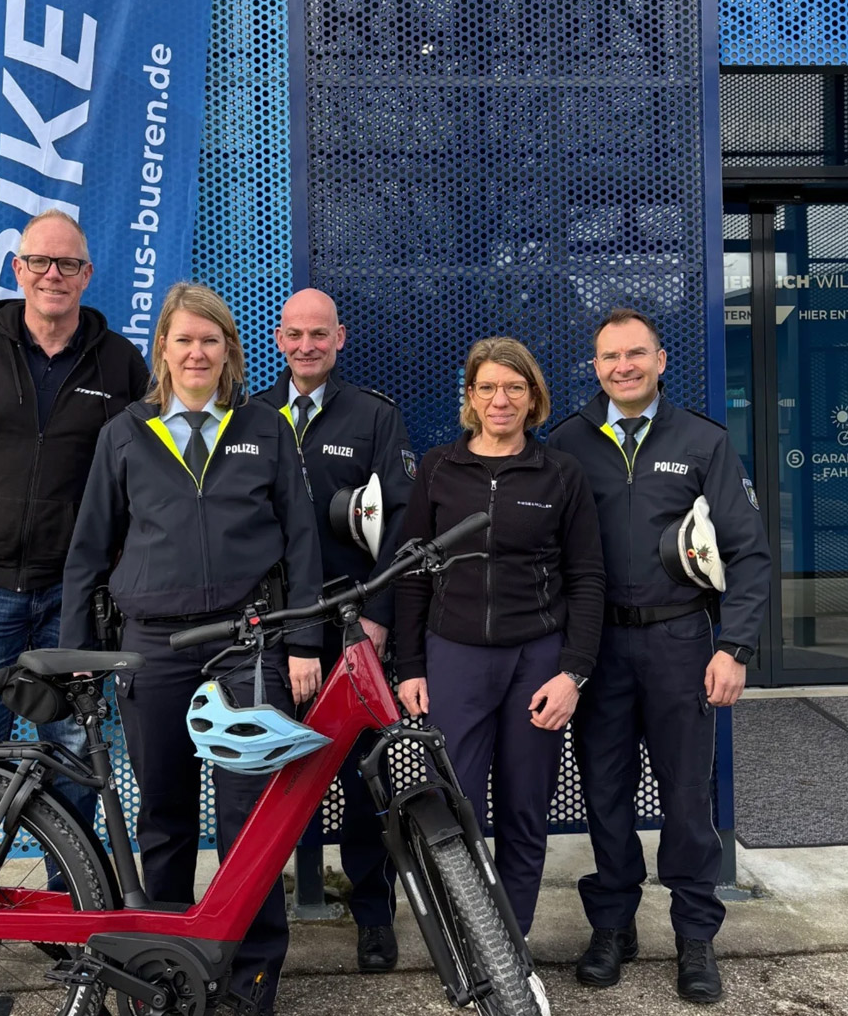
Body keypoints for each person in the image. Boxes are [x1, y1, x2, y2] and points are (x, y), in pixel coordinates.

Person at [59, 282, 323, 1016]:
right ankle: (166, 974)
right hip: (153, 650)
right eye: (184, 340)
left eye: (211, 340)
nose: (197, 352)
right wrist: (80, 647)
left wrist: (304, 640)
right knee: (166, 819)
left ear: (229, 352)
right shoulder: (126, 433)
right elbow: (88, 550)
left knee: (251, 825)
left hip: (248, 649)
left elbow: (302, 542)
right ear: (164, 352)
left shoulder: (264, 428)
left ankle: (251, 982)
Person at [0, 209, 150, 864]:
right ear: (17, 269)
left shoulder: (122, 365)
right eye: (39, 261)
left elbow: (142, 484)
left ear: (88, 275)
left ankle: (69, 914)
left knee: (72, 758)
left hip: (74, 600)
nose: (52, 275)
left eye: (68, 264)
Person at [548, 307, 770, 1005]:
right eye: (611, 356)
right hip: (598, 648)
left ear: (661, 359)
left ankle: (695, 936)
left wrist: (733, 646)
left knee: (685, 796)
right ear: (595, 365)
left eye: (636, 354)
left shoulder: (702, 441)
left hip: (681, 643)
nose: (623, 367)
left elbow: (748, 553)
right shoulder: (566, 445)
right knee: (605, 793)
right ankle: (612, 927)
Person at [394, 336, 606, 938]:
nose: (500, 399)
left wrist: (573, 672)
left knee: (524, 809)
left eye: (514, 387)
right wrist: (410, 665)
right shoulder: (439, 467)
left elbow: (588, 577)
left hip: (536, 659)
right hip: (454, 657)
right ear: (470, 396)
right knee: (453, 809)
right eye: (487, 387)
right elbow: (412, 573)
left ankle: (512, 945)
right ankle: (467, 938)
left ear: (533, 395)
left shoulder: (561, 472)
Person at [258, 287, 416, 973]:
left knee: (364, 781)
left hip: (354, 630)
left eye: (319, 334)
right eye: (295, 334)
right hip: (272, 630)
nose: (306, 346)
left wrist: (379, 621)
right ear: (278, 339)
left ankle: (373, 915)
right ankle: (258, 928)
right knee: (270, 780)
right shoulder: (252, 414)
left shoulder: (374, 417)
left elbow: (402, 525)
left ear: (340, 338)